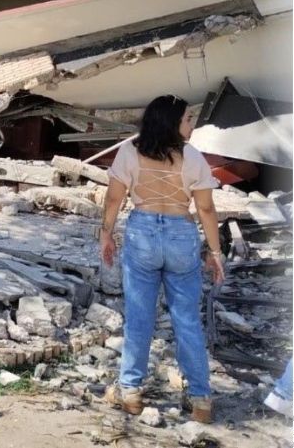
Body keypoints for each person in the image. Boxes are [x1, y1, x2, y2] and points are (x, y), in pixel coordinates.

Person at [100, 95, 224, 424]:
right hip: (181, 235)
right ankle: (200, 400)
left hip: (142, 232)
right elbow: (206, 209)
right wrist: (215, 252)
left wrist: (106, 233)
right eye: (187, 119)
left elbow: (115, 197)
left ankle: (131, 393)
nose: (191, 124)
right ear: (171, 122)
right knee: (186, 320)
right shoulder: (193, 157)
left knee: (139, 316)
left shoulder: (130, 152)